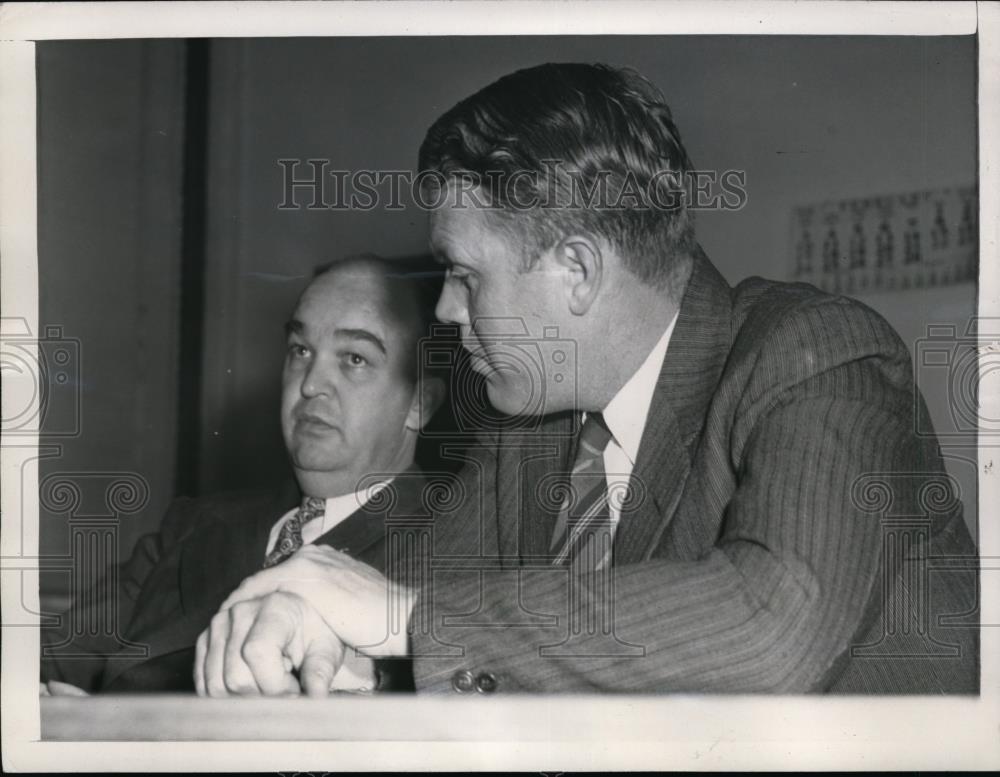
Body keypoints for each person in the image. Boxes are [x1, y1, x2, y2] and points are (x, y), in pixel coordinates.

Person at [197, 63, 978, 695]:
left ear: (576, 270)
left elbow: (771, 624)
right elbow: (419, 590)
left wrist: (404, 620)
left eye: (464, 275)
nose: (443, 308)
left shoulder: (821, 356)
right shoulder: (530, 425)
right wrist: (319, 630)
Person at [41, 253, 446, 694]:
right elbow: (53, 659)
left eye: (354, 358)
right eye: (301, 350)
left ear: (420, 402)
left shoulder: (455, 549)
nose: (310, 383)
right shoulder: (194, 525)